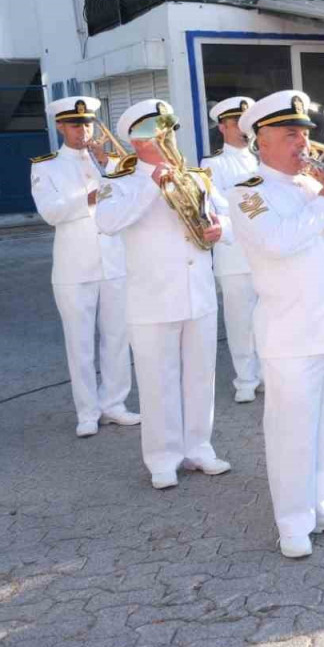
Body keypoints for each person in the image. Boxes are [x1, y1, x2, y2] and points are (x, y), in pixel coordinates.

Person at [230, 90, 324, 558]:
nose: (302, 143)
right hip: (292, 333)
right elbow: (276, 242)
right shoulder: (249, 192)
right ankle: (293, 520)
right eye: (290, 134)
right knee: (292, 431)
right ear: (261, 141)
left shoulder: (316, 185)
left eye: (304, 134)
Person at [95, 99, 231, 489]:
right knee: (158, 381)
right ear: (137, 141)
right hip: (152, 298)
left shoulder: (196, 175)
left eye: (168, 129)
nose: (167, 137)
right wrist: (151, 189)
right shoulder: (118, 180)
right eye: (157, 132)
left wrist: (220, 228)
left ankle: (199, 448)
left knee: (200, 377)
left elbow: (226, 216)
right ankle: (162, 458)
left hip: (199, 293)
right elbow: (107, 222)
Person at [30, 96, 138, 437]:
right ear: (60, 126)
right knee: (79, 343)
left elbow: (133, 197)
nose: (84, 130)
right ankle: (87, 411)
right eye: (76, 124)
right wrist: (87, 198)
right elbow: (50, 213)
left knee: (118, 338)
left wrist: (111, 165)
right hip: (74, 268)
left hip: (115, 261)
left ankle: (115, 404)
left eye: (88, 123)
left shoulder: (112, 161)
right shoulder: (46, 166)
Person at [200, 96, 262, 403]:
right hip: (235, 254)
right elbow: (220, 204)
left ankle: (267, 373)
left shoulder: (264, 158)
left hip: (267, 252)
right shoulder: (212, 164)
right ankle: (246, 379)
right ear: (223, 126)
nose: (244, 128)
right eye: (237, 122)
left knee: (269, 317)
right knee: (240, 320)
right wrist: (261, 212)